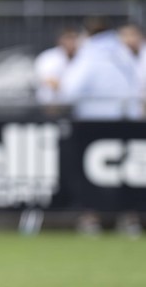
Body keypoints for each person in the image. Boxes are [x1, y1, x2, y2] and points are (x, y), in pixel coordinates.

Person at [60, 17, 142, 237]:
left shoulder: (89, 54)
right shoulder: (123, 52)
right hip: (127, 120)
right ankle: (130, 218)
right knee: (127, 172)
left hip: (93, 123)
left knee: (90, 172)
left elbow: (70, 90)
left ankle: (91, 218)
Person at [34, 26, 79, 110]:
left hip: (75, 107)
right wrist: (72, 88)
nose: (71, 42)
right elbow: (49, 81)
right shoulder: (48, 57)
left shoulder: (82, 57)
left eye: (74, 38)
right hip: (49, 106)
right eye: (68, 38)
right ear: (61, 40)